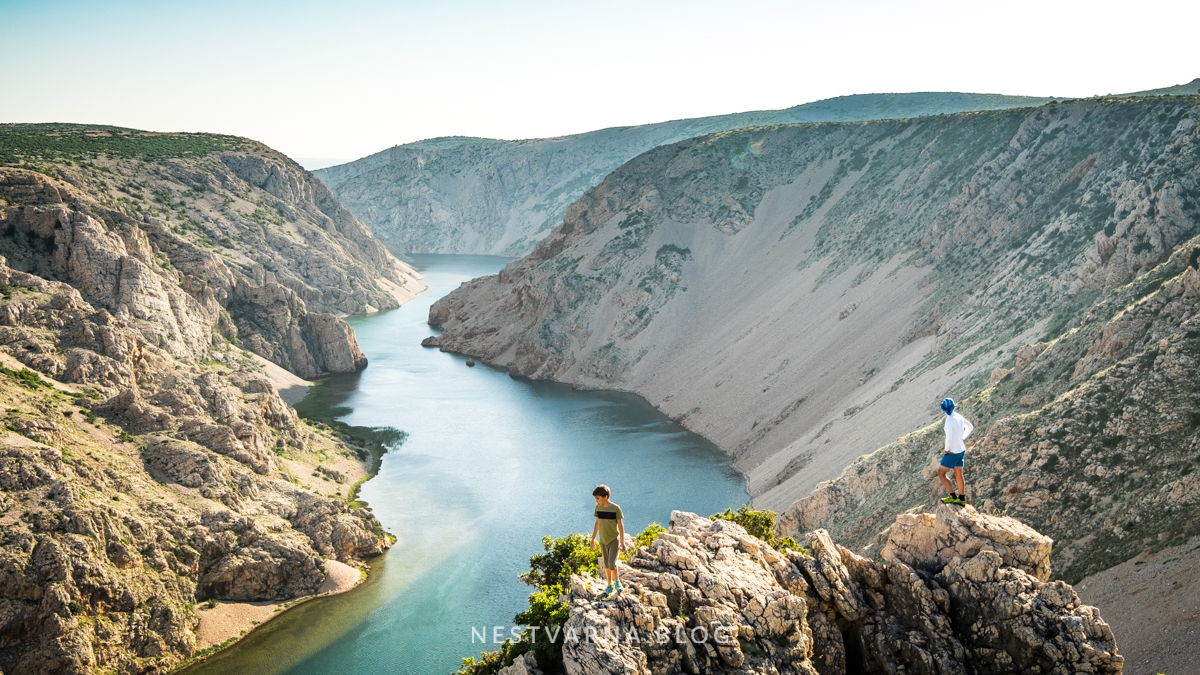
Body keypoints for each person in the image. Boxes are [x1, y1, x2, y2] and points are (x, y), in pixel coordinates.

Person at [589, 484, 626, 599]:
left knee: (612, 563)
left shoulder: (616, 508)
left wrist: (622, 542)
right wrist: (593, 539)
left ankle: (617, 583)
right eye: (595, 499)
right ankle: (609, 585)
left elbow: (620, 526)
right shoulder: (598, 508)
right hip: (602, 540)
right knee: (606, 564)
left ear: (605, 497)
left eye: (598, 498)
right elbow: (597, 523)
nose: (596, 501)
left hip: (613, 540)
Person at [938, 398, 973, 504]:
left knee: (941, 473)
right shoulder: (959, 416)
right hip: (961, 449)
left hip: (952, 452)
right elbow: (970, 427)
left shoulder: (949, 420)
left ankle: (952, 496)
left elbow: (948, 438)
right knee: (958, 474)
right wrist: (962, 438)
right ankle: (962, 499)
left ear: (943, 408)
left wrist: (946, 449)